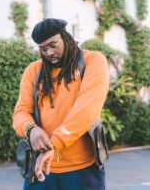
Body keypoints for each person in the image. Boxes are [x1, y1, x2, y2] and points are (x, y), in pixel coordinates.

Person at [12, 18, 109, 190]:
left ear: (66, 37)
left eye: (53, 45)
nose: (49, 52)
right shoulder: (33, 71)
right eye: (43, 49)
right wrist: (30, 129)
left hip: (83, 171)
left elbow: (86, 111)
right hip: (40, 169)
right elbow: (20, 112)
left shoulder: (93, 62)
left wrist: (54, 144)